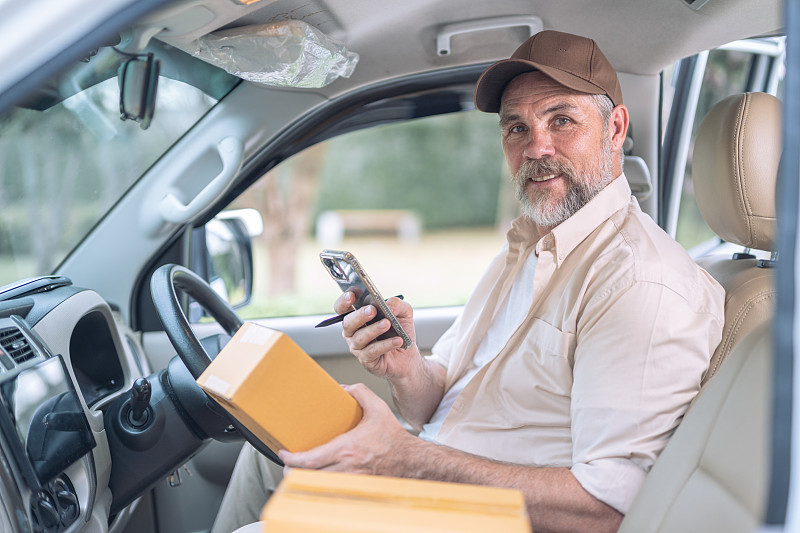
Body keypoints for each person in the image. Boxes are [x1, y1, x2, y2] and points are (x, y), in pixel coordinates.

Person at [211, 30, 724, 533]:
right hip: (434, 484)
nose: (536, 147)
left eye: (562, 120)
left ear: (614, 129)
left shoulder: (641, 283)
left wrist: (403, 459)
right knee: (269, 452)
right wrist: (406, 368)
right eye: (516, 128)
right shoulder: (528, 245)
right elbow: (440, 399)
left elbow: (606, 509)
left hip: (477, 516)